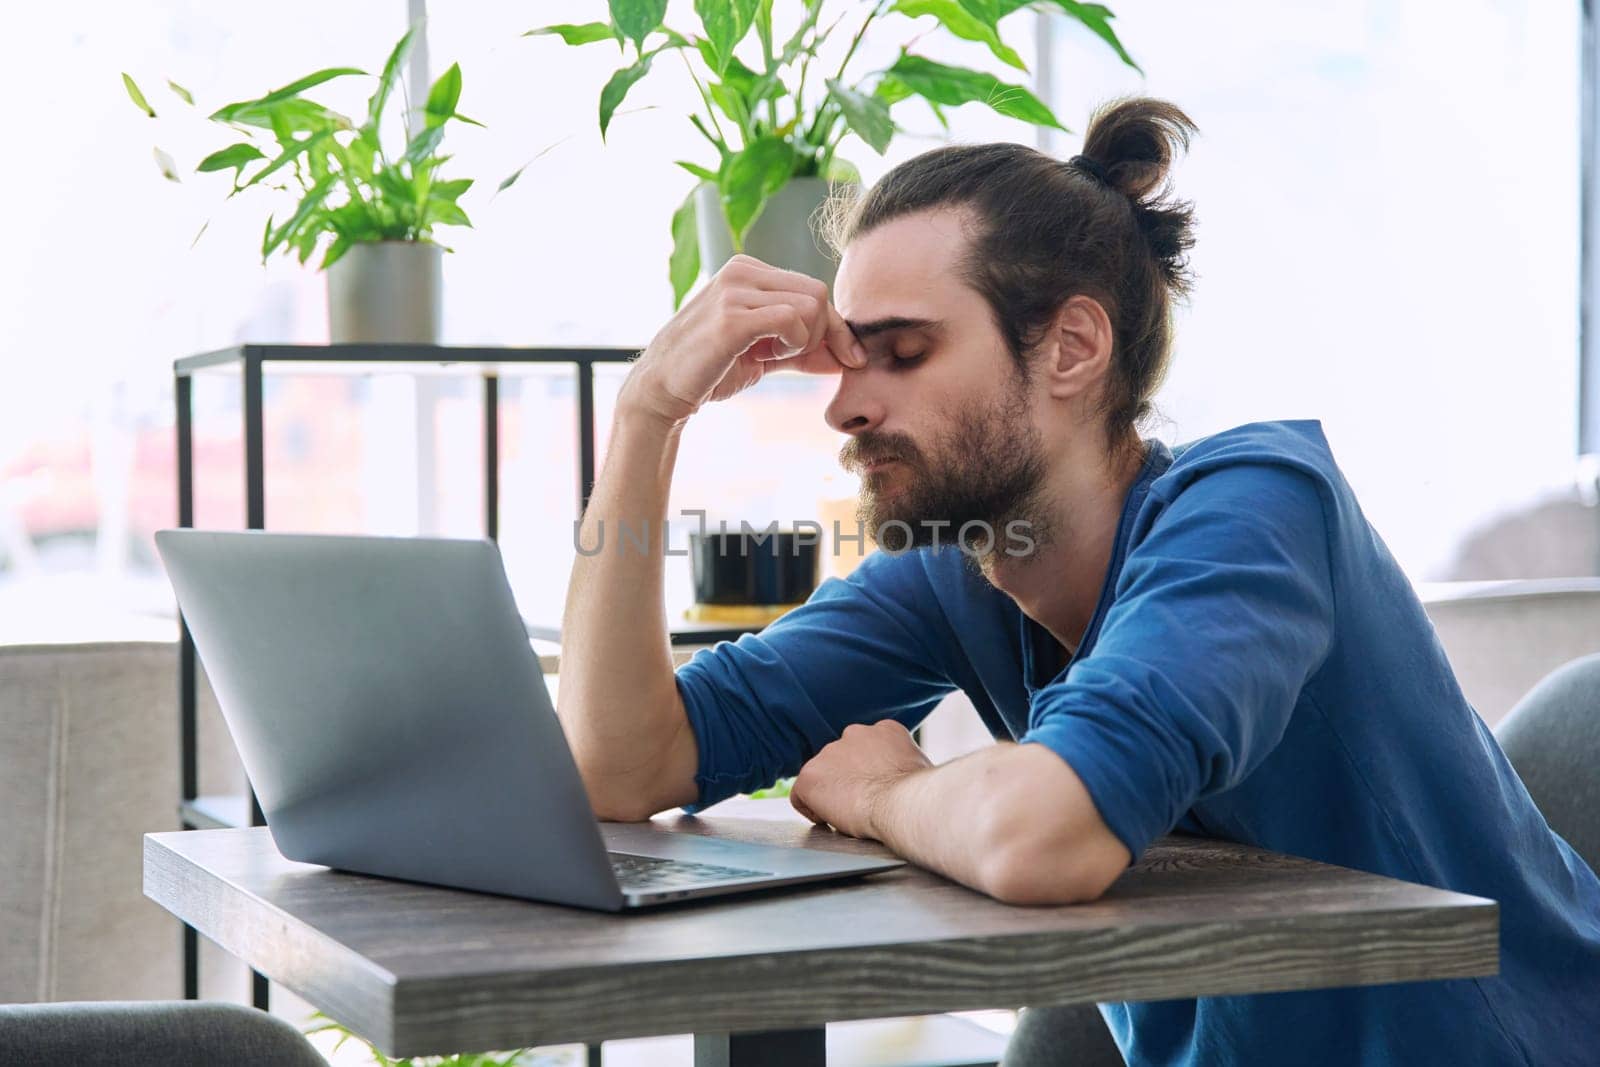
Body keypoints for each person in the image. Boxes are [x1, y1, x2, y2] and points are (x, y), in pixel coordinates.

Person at [556, 97, 1600, 1065]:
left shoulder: (1256, 509)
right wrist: (651, 411)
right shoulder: (954, 569)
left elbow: (1040, 832)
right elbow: (620, 767)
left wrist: (881, 790)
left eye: (903, 352)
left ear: (1070, 347)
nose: (843, 408)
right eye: (846, 362)